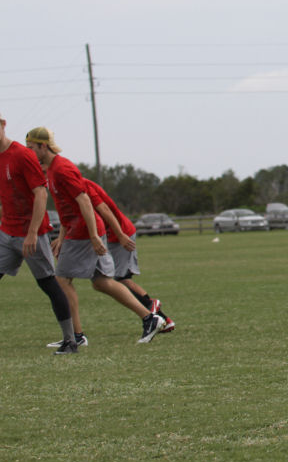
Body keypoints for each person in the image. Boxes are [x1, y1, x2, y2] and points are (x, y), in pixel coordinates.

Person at [25, 127, 166, 344]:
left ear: (43, 146)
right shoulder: (52, 170)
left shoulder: (62, 169)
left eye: (31, 148)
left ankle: (76, 336)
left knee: (62, 280)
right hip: (80, 231)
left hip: (83, 232)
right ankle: (149, 318)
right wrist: (62, 237)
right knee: (101, 282)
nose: (29, 152)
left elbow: (84, 201)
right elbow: (66, 209)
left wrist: (93, 235)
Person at [0, 113, 78, 354]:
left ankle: (70, 341)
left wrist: (32, 233)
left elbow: (41, 193)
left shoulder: (22, 155)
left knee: (48, 284)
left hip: (31, 233)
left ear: (3, 124)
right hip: (7, 231)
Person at [86, 178, 175, 333]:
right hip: (112, 235)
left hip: (119, 234)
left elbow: (105, 209)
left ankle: (151, 306)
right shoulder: (74, 183)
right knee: (114, 280)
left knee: (115, 280)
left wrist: (120, 235)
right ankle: (164, 320)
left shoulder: (79, 184)